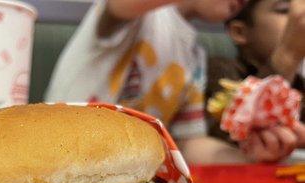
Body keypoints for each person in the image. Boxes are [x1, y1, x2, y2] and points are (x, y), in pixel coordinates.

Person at [46, 0, 298, 163]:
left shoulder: (194, 56)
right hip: (59, 154)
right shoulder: (142, 14)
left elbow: (189, 143)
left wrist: (249, 158)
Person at [207, 0, 305, 162]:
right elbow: (229, 136)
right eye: (284, 10)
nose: (298, 19)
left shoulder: (299, 83)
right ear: (239, 32)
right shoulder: (220, 70)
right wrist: (288, 53)